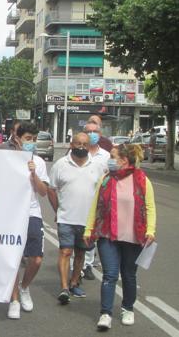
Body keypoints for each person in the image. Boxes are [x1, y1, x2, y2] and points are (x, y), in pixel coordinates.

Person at [84, 144, 156, 331]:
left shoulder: (142, 180)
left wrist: (151, 230)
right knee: (109, 275)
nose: (110, 159)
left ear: (124, 160)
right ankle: (105, 313)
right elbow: (95, 206)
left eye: (114, 156)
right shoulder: (106, 179)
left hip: (134, 236)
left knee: (129, 275)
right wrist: (89, 230)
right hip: (108, 235)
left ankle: (127, 308)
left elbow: (150, 207)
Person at [0, 122, 49, 320]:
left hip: (32, 214)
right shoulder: (5, 158)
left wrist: (33, 174)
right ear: (17, 138)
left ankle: (24, 286)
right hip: (9, 215)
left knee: (35, 259)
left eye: (34, 139)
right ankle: (15, 300)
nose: (32, 143)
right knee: (13, 260)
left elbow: (43, 192)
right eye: (28, 139)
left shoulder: (40, 163)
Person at [48, 132, 105, 305]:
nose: (81, 147)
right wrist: (58, 210)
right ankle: (64, 287)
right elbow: (51, 189)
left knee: (80, 253)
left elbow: (103, 190)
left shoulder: (97, 165)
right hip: (66, 218)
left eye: (85, 144)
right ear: (71, 145)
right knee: (65, 251)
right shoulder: (60, 164)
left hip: (87, 221)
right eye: (78, 143)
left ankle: (74, 282)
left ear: (89, 147)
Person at [80, 122, 110, 280]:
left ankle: (88, 264)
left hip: (99, 202)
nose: (92, 134)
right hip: (80, 201)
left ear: (100, 133)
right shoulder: (79, 152)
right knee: (79, 234)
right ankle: (77, 265)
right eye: (89, 131)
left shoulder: (106, 156)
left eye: (95, 131)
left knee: (93, 233)